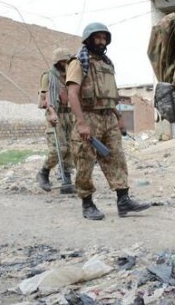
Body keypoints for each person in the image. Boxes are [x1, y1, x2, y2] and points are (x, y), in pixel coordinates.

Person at [66, 22, 150, 220]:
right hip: (88, 116)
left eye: (104, 38)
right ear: (89, 39)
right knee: (84, 161)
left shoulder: (107, 63)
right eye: (98, 37)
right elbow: (72, 94)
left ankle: (123, 200)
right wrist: (81, 123)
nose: (102, 41)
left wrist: (119, 117)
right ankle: (87, 203)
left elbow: (110, 93)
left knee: (116, 158)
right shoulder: (78, 62)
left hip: (108, 117)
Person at [36, 48, 76, 194]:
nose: (66, 64)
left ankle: (66, 180)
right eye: (63, 61)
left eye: (68, 61)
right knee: (58, 148)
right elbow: (46, 97)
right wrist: (52, 113)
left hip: (69, 114)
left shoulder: (71, 76)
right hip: (55, 112)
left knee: (70, 149)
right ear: (58, 62)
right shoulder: (49, 76)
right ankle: (44, 172)